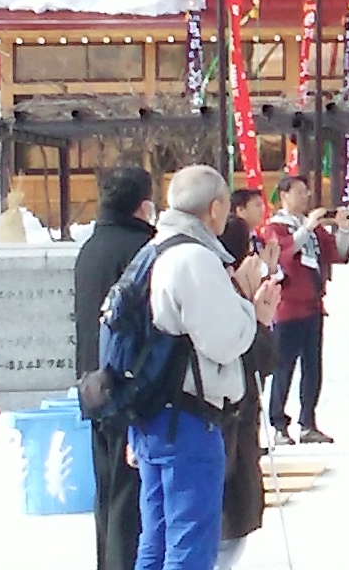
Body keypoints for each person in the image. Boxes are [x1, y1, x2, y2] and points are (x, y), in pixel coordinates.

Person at [132, 165, 275, 570]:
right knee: (190, 544)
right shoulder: (195, 258)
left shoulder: (153, 250)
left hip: (153, 411)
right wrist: (252, 309)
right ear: (214, 208)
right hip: (190, 418)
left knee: (155, 540)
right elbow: (226, 339)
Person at [74, 167, 159, 570]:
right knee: (130, 499)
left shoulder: (91, 247)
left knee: (107, 491)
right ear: (143, 205)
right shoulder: (144, 251)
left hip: (93, 384)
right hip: (129, 388)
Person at [263, 175, 349, 446]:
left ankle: (307, 421)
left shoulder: (312, 228)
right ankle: (278, 422)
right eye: (300, 192)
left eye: (307, 193)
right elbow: (285, 254)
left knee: (313, 368)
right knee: (283, 367)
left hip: (313, 305)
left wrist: (343, 229)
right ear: (284, 195)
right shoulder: (276, 227)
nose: (306, 197)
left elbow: (336, 253)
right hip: (288, 306)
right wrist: (307, 228)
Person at [217, 193, 278, 570]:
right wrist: (259, 320)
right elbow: (254, 358)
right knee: (225, 527)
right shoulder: (222, 291)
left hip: (235, 421)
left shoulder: (232, 287)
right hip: (227, 421)